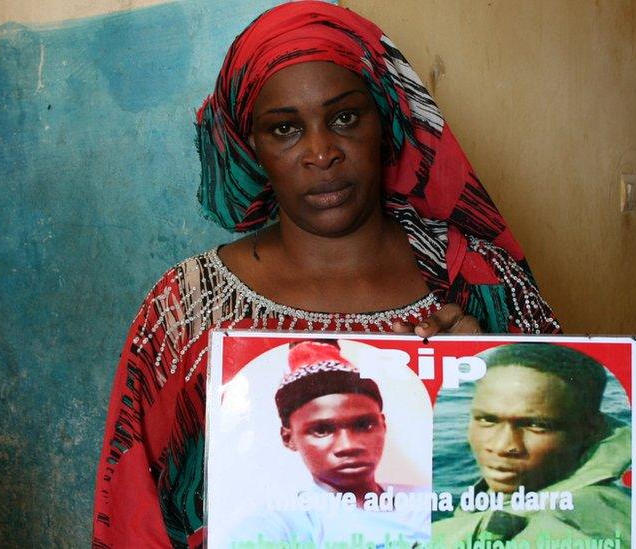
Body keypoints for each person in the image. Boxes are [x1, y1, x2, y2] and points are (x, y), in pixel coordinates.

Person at [92, 2, 560, 547]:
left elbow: (550, 499)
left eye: (344, 118)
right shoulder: (188, 309)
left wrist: (486, 372)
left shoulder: (480, 283)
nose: (321, 152)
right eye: (285, 129)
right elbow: (133, 514)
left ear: (386, 121)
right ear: (251, 147)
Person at [221, 340, 428, 546]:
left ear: (383, 424)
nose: (348, 445)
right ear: (289, 438)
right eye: (322, 430)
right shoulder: (272, 526)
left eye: (364, 424)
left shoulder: (427, 503)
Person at [432, 343, 631, 546]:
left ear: (591, 430)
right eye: (487, 419)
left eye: (537, 425)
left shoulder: (575, 521)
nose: (502, 446)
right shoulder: (528, 489)